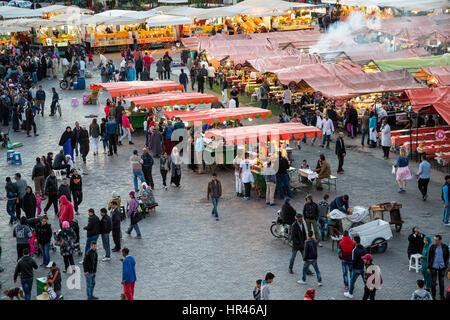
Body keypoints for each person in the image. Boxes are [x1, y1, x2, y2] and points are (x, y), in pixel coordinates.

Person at [427, 234, 449, 300]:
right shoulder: (432, 247)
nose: (435, 241)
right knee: (433, 283)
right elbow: (429, 257)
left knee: (441, 282)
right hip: (433, 267)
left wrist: (446, 264)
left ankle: (442, 295)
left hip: (442, 267)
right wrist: (428, 267)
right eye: (434, 240)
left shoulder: (445, 247)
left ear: (440, 240)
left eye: (436, 240)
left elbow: (447, 256)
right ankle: (433, 296)